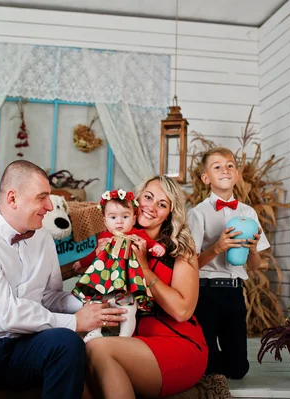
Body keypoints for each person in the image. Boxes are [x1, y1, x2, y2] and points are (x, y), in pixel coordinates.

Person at [0, 160, 127, 399]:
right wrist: (74, 322)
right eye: (42, 197)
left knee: (68, 343)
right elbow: (6, 313)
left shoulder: (44, 238)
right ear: (12, 198)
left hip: (24, 349)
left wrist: (87, 306)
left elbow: (48, 296)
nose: (49, 206)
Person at [84, 175, 208, 399]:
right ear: (136, 199)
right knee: (73, 356)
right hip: (131, 340)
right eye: (148, 197)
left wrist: (144, 267)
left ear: (170, 213)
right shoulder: (112, 240)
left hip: (178, 344)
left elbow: (182, 311)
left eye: (162, 204)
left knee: (97, 348)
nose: (151, 207)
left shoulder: (181, 250)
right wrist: (99, 259)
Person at [187, 147, 270, 379]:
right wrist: (217, 248)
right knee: (209, 368)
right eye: (217, 167)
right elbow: (190, 264)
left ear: (237, 174)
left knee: (238, 370)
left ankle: (208, 360)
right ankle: (200, 360)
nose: (225, 170)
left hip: (234, 293)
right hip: (205, 293)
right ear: (206, 178)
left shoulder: (249, 213)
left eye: (230, 165)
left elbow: (254, 266)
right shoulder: (198, 213)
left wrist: (253, 249)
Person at [72, 188, 165, 342]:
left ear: (134, 219)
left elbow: (149, 244)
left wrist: (156, 248)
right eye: (113, 217)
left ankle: (125, 337)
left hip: (127, 285)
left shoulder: (137, 235)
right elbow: (94, 254)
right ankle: (95, 331)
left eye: (125, 216)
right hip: (105, 283)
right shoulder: (104, 237)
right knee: (96, 307)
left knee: (128, 310)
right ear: (105, 221)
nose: (119, 221)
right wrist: (81, 262)